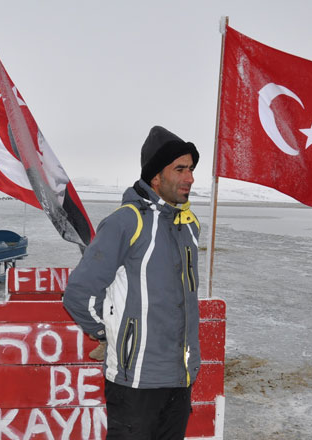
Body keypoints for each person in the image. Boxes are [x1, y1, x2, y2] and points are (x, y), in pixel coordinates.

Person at [63, 125, 201, 439]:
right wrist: (109, 333)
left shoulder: (188, 227)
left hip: (180, 379)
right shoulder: (126, 222)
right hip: (135, 383)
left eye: (191, 169)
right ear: (155, 177)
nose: (190, 177)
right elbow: (79, 293)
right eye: (180, 169)